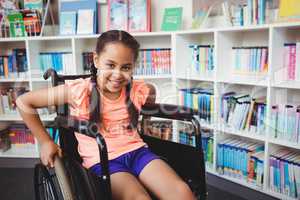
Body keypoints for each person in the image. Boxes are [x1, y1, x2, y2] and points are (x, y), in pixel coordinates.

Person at [16, 30, 195, 200]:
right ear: (96, 60)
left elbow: (150, 91)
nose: (117, 74)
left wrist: (143, 115)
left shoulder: (136, 90)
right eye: (110, 65)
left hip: (138, 152)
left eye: (125, 67)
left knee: (182, 192)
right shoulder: (78, 90)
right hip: (103, 160)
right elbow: (24, 102)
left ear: (133, 67)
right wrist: (46, 141)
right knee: (139, 198)